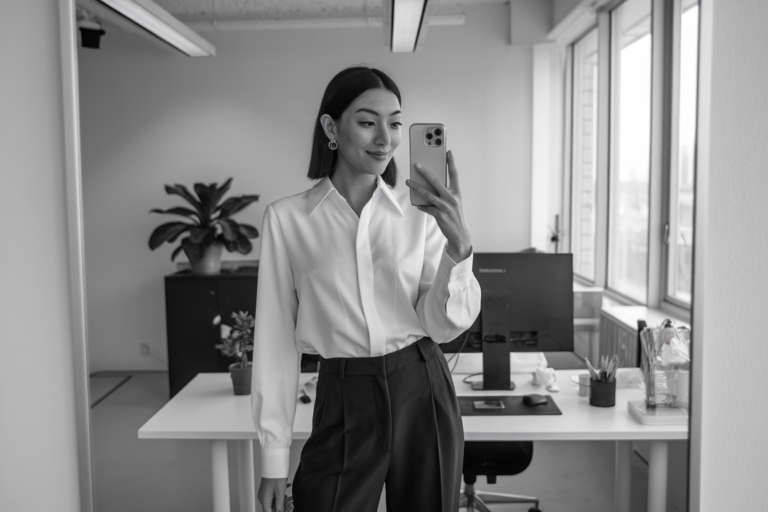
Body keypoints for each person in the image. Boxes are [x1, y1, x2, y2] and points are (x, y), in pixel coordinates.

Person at [251, 66, 481, 512]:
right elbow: (276, 342)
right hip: (343, 395)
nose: (385, 138)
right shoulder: (287, 220)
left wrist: (459, 249)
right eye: (367, 121)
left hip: (422, 384)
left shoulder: (422, 215)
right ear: (331, 127)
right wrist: (273, 458)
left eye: (395, 122)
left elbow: (442, 326)